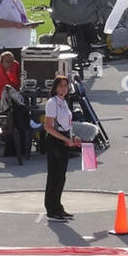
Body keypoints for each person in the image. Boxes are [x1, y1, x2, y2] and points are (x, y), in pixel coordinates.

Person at [0, 51, 34, 162]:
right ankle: (19, 136)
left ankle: (20, 137)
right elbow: (12, 87)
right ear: (1, 61)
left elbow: (14, 84)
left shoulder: (2, 71)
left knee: (16, 106)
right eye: (7, 62)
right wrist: (16, 68)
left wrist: (16, 66)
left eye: (12, 62)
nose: (10, 64)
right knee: (17, 109)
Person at [42, 73, 81, 219]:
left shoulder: (64, 101)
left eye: (65, 86)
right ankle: (51, 209)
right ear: (55, 87)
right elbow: (48, 127)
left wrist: (72, 137)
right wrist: (65, 139)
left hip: (64, 139)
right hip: (54, 141)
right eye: (61, 86)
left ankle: (58, 206)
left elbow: (67, 123)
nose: (64, 88)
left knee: (61, 177)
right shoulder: (52, 102)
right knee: (54, 176)